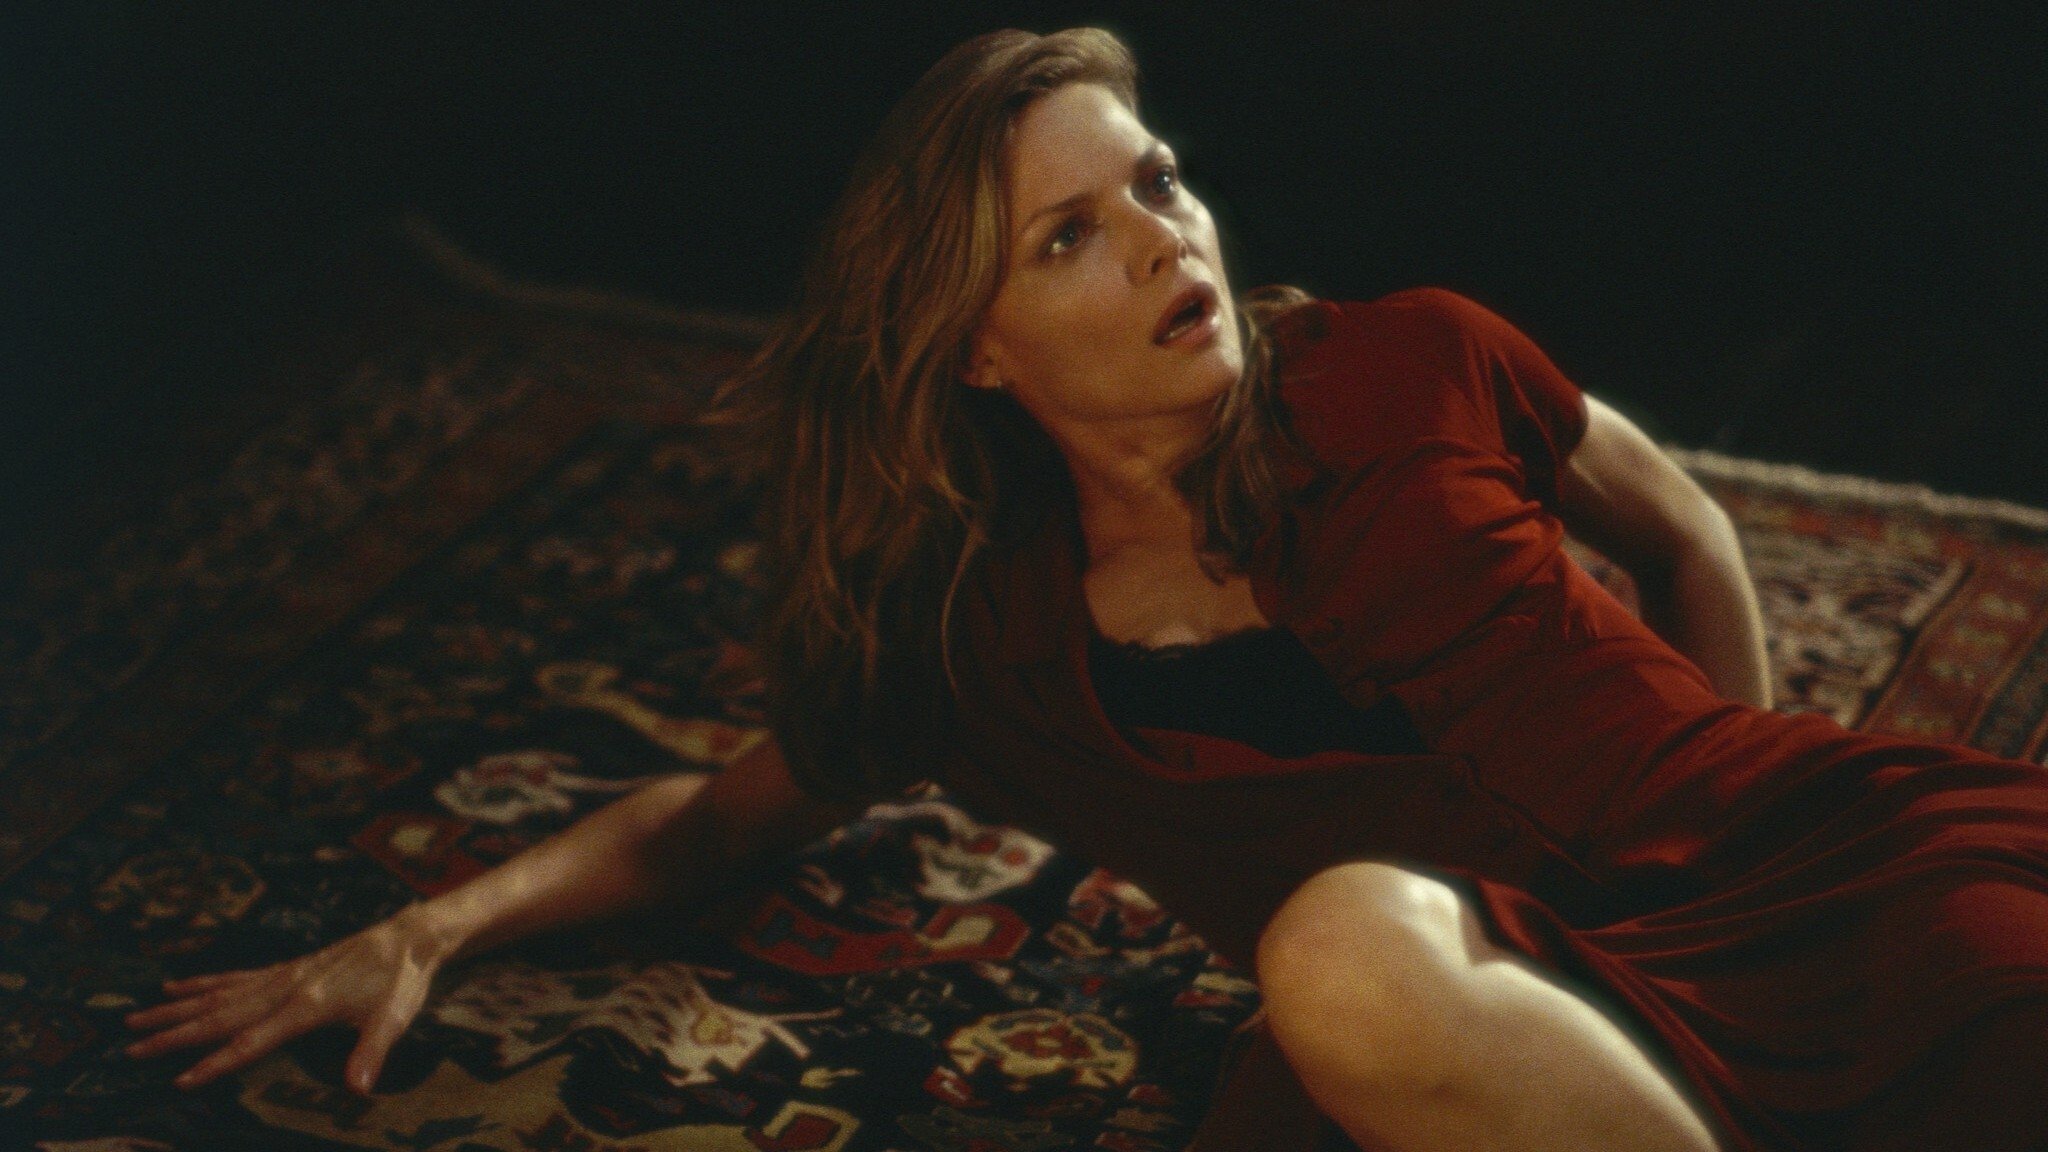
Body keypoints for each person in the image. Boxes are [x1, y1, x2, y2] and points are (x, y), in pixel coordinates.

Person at [123, 26, 2048, 1152]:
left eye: (1157, 181)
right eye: (1067, 236)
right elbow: (714, 823)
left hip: (1810, 881)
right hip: (1484, 1029)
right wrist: (431, 928)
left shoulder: (1411, 358)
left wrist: (1733, 785)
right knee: (1340, 945)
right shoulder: (984, 645)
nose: (1159, 238)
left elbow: (1682, 524)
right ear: (975, 350)